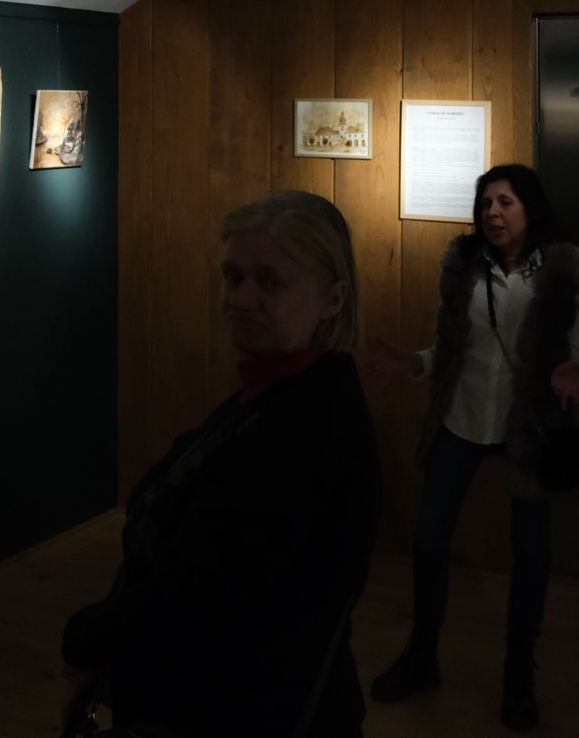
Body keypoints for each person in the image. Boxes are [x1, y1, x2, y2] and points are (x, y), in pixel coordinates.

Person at [61, 191, 381, 738]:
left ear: (333, 299)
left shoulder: (307, 427)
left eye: (271, 282)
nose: (240, 298)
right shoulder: (278, 393)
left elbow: (204, 591)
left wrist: (86, 637)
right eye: (233, 277)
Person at [364, 163, 579, 731]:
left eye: (505, 202)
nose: (493, 213)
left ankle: (519, 671)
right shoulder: (463, 268)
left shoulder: (560, 273)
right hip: (462, 418)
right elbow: (453, 349)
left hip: (527, 427)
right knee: (429, 538)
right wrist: (416, 363)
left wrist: (572, 375)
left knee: (532, 551)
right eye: (486, 203)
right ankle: (422, 656)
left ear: (529, 208)